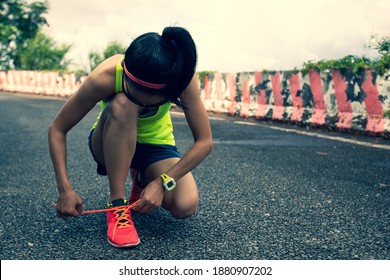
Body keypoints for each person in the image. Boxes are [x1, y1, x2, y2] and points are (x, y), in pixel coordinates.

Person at [48, 26, 213, 248]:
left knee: (185, 205)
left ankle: (142, 179)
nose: (143, 105)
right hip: (109, 143)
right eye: (133, 91)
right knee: (124, 104)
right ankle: (117, 205)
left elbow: (204, 142)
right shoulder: (105, 76)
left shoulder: (180, 78)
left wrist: (162, 183)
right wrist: (65, 189)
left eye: (149, 103)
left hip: (155, 146)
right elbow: (58, 129)